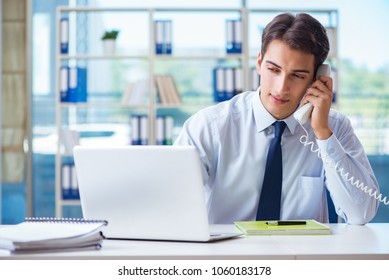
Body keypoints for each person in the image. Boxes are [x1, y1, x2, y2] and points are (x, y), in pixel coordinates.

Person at [174, 13, 380, 225]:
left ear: (317, 78)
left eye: (298, 76)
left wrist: (323, 134)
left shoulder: (334, 127)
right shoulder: (210, 126)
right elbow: (170, 200)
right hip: (228, 255)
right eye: (273, 69)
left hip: (300, 256)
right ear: (259, 63)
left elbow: (361, 214)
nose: (281, 88)